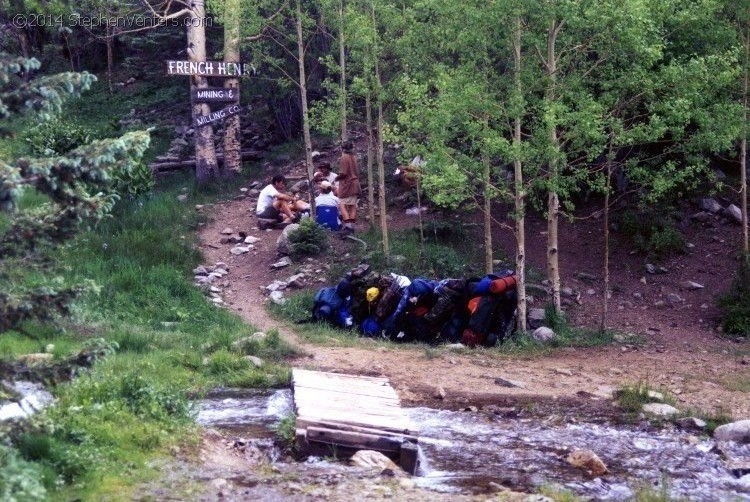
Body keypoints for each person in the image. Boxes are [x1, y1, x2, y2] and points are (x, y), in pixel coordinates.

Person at [337, 141, 362, 233]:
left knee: (342, 204)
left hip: (347, 184)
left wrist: (336, 178)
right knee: (352, 205)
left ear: (342, 149)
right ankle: (351, 227)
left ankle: (348, 227)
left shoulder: (344, 157)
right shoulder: (354, 157)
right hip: (355, 183)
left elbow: (343, 173)